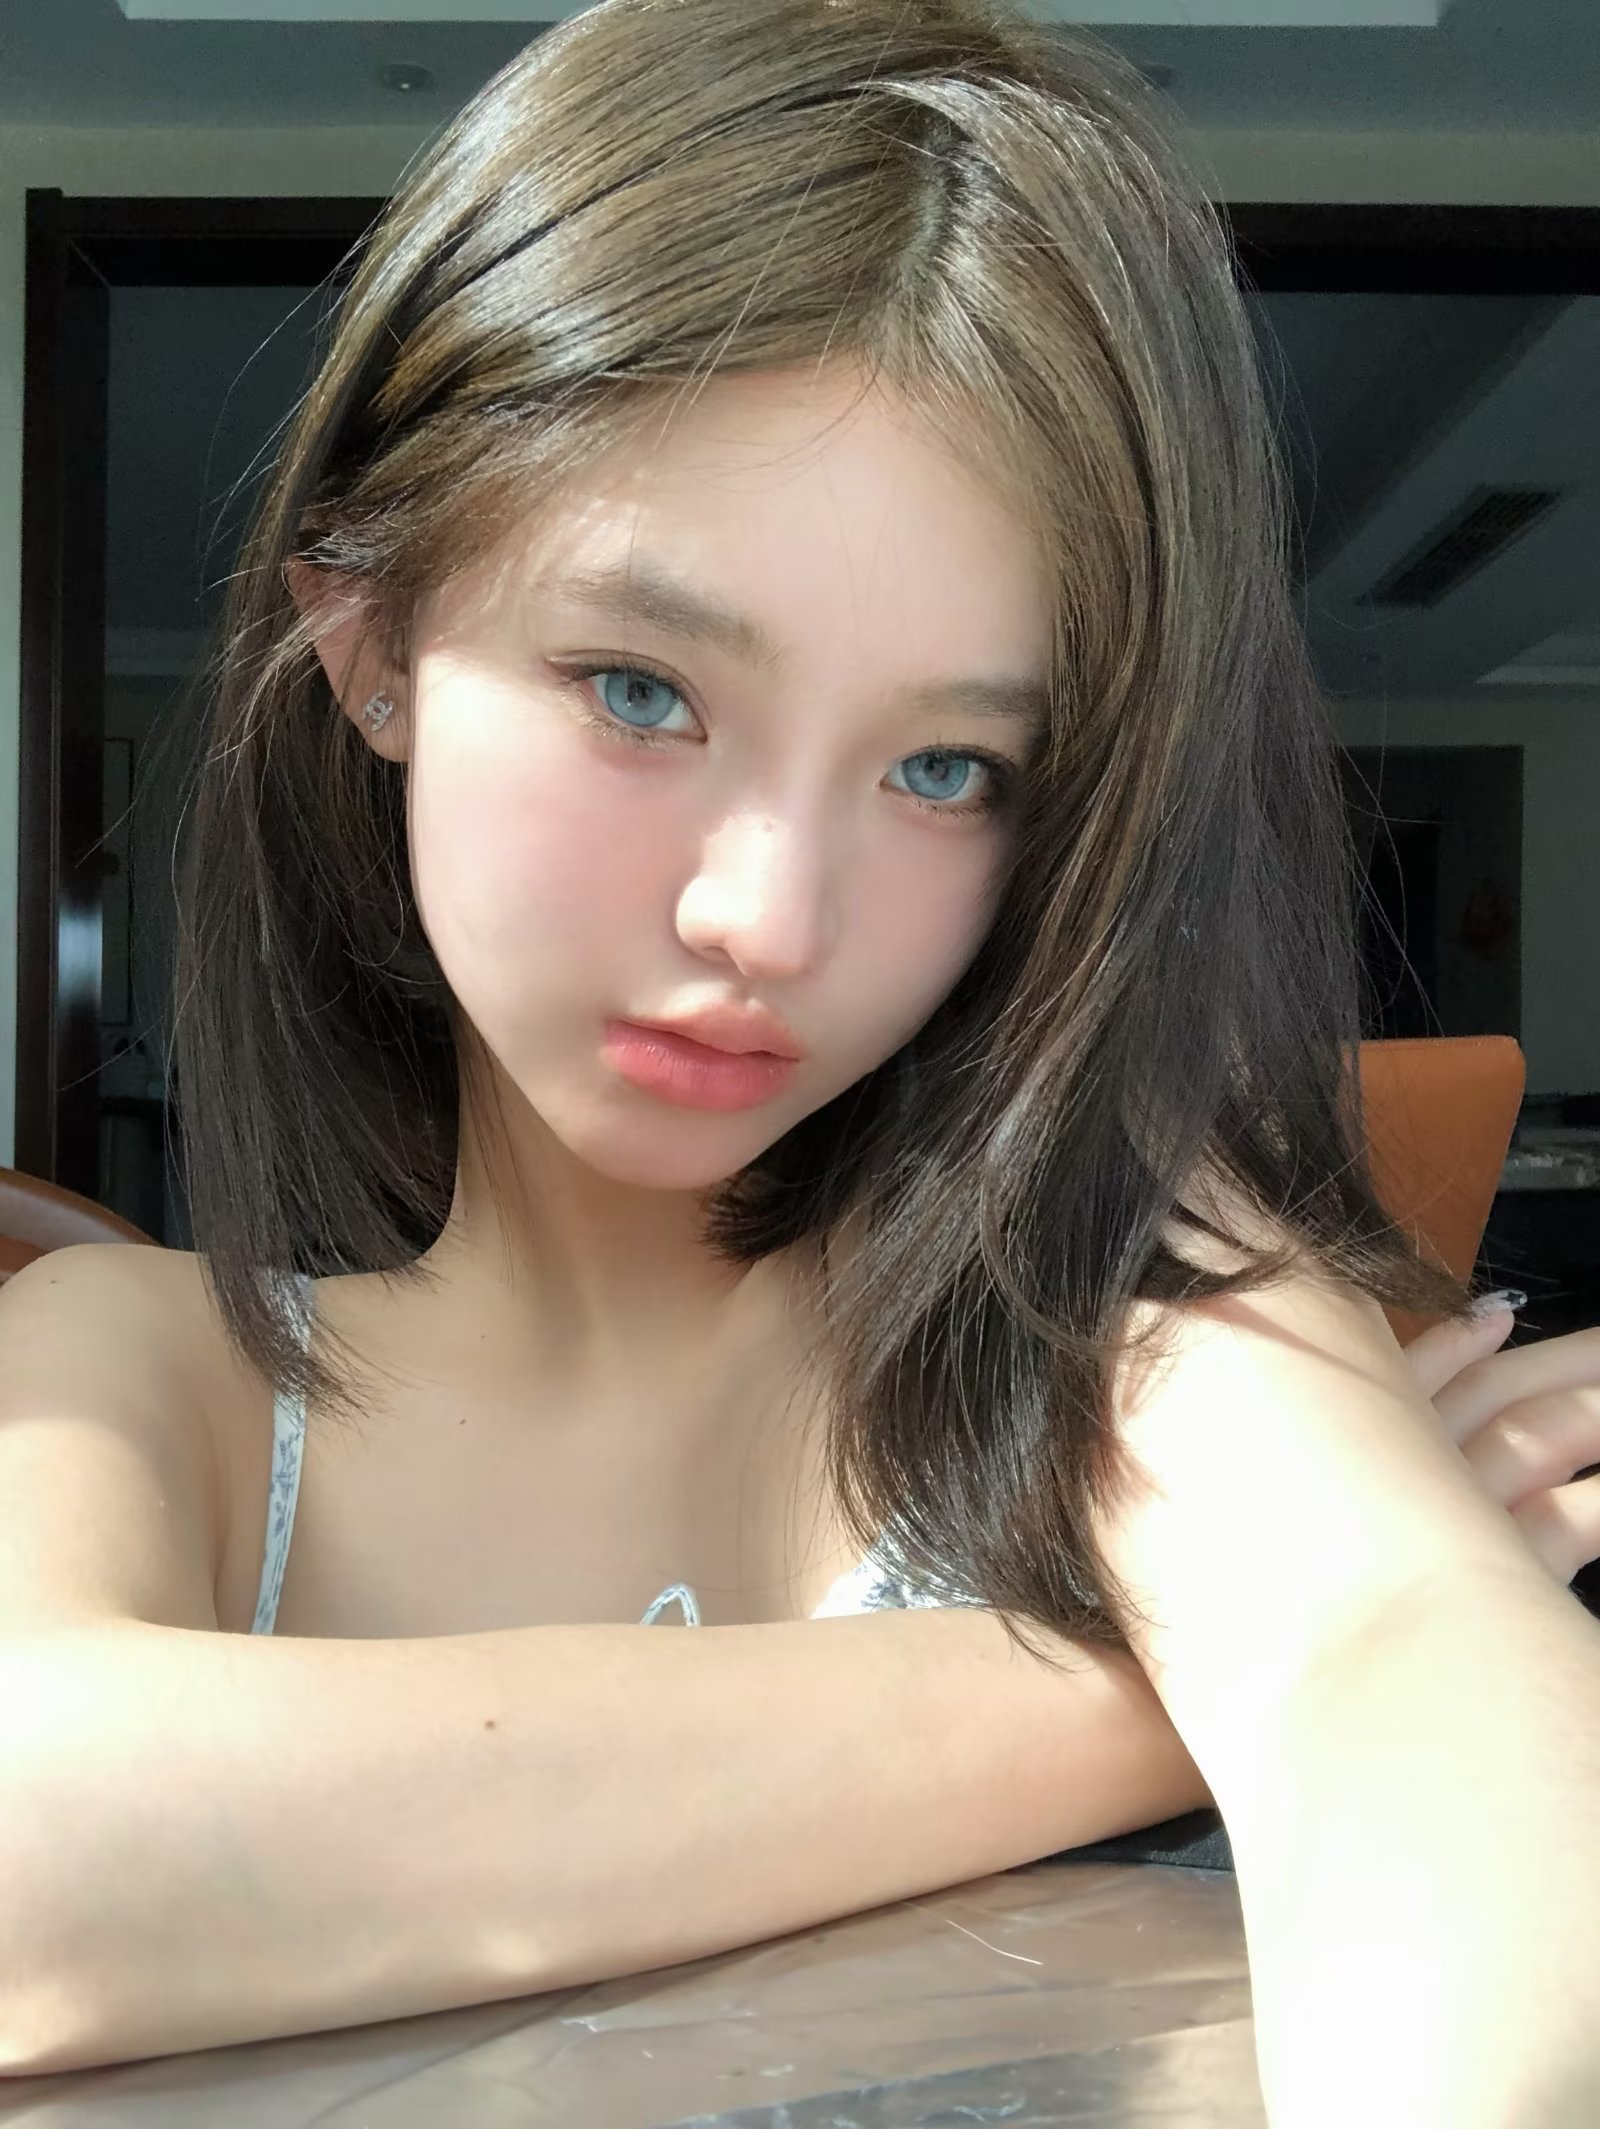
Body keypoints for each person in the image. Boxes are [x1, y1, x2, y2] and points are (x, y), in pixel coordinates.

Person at [4, 0, 1600, 2107]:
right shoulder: (152, 1368)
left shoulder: (1103, 1310)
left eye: (945, 767)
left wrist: (1380, 1589)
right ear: (371, 643)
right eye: (639, 690)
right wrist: (1132, 1688)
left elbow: (1403, 1664)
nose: (770, 918)